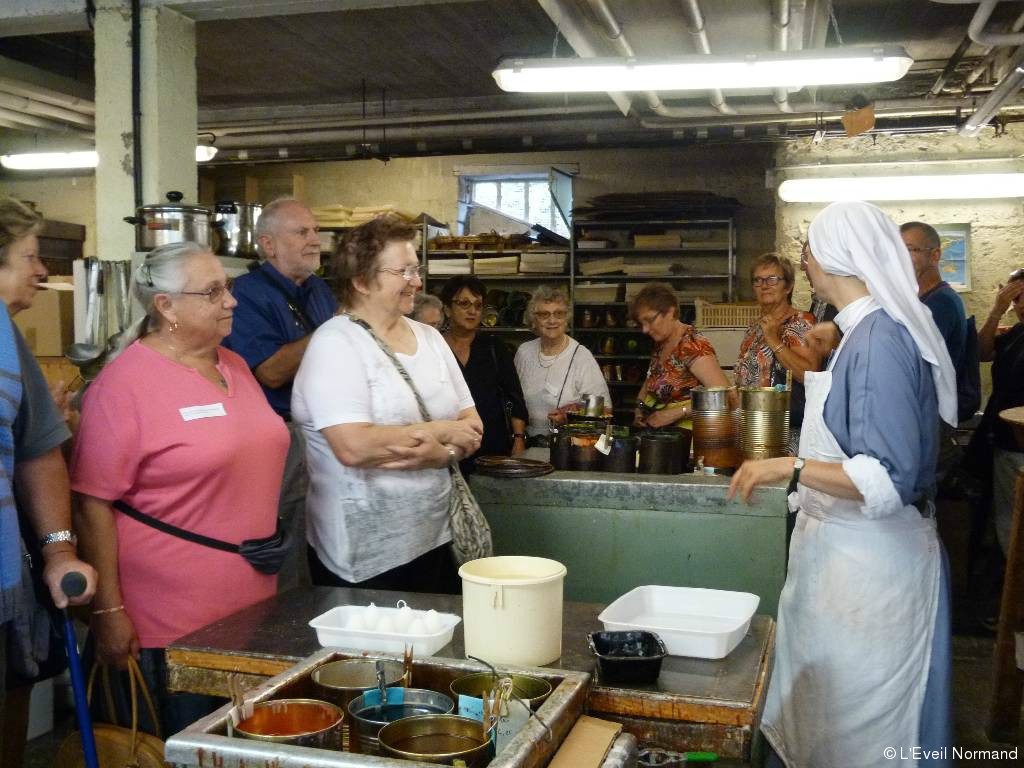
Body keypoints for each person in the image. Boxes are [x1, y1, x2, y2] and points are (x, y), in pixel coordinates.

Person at [728, 200, 955, 768]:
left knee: (870, 734)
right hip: (847, 564)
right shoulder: (860, 332)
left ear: (834, 256)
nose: (803, 261)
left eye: (808, 249)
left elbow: (890, 474)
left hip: (874, 573)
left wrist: (790, 467)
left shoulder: (879, 340)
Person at [71, 241, 289, 735]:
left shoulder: (233, 366)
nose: (230, 301)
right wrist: (108, 610)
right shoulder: (123, 385)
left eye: (228, 288)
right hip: (166, 622)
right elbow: (91, 505)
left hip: (249, 606)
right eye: (212, 292)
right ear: (165, 306)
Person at [292, 214, 483, 593]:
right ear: (361, 281)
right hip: (365, 555)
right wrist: (442, 434)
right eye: (404, 271)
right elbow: (353, 446)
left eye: (417, 268)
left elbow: (473, 426)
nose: (417, 281)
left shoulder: (430, 338)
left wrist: (436, 455)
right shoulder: (336, 343)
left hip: (437, 536)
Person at [0, 197, 97, 760]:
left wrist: (60, 553)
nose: (41, 271)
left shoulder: (8, 340)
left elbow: (39, 449)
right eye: (30, 256)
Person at [224, 198, 338, 591]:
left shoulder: (320, 289)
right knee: (288, 538)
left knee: (322, 534)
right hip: (283, 438)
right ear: (268, 244)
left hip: (327, 432)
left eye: (315, 231)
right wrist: (333, 331)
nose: (314, 240)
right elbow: (270, 372)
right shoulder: (247, 295)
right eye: (301, 232)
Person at [439, 275, 528, 470]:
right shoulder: (434, 346)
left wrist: (519, 438)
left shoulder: (494, 347)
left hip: (492, 447)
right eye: (464, 303)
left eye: (478, 305)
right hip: (447, 447)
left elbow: (514, 396)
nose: (472, 311)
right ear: (447, 309)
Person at [734, 253, 819, 452]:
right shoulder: (754, 328)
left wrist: (773, 340)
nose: (764, 285)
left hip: (786, 434)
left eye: (772, 279)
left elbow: (808, 374)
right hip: (753, 428)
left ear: (788, 287)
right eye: (758, 280)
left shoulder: (801, 323)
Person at [971, 267, 1024, 556]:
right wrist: (996, 311)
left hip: (1018, 441)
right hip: (1006, 439)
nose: (1021, 305)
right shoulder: (1016, 331)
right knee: (1008, 520)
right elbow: (982, 353)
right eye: (1016, 298)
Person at [514, 285, 609, 443]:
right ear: (533, 320)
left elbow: (603, 408)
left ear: (566, 319)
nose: (552, 320)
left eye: (559, 314)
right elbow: (512, 399)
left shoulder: (581, 356)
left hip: (568, 443)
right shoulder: (524, 352)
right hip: (527, 440)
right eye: (544, 314)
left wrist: (569, 415)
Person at [630, 282, 730, 428]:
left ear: (670, 312)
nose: (645, 329)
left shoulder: (693, 345)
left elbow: (724, 397)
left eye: (650, 320)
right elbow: (652, 378)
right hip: (662, 434)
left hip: (689, 437)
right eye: (641, 323)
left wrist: (674, 413)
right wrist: (639, 408)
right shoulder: (662, 342)